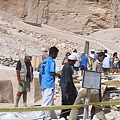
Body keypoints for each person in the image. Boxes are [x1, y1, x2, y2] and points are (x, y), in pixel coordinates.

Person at [69, 52, 107, 120]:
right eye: (103, 57)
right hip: (94, 86)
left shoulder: (99, 64)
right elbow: (94, 74)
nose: (103, 59)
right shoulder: (96, 64)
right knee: (96, 105)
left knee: (96, 104)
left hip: (96, 86)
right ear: (100, 57)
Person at [38, 46, 61, 120]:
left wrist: (41, 84)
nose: (56, 56)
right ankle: (40, 117)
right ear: (53, 53)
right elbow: (52, 72)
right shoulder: (51, 61)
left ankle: (53, 116)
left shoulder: (44, 61)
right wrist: (58, 75)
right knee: (46, 102)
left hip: (44, 83)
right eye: (56, 54)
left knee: (50, 101)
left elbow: (40, 74)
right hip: (49, 83)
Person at [60, 54, 78, 120]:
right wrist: (69, 90)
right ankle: (64, 115)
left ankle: (66, 115)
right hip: (66, 88)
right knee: (67, 102)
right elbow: (68, 80)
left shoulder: (68, 66)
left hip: (66, 87)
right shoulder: (67, 67)